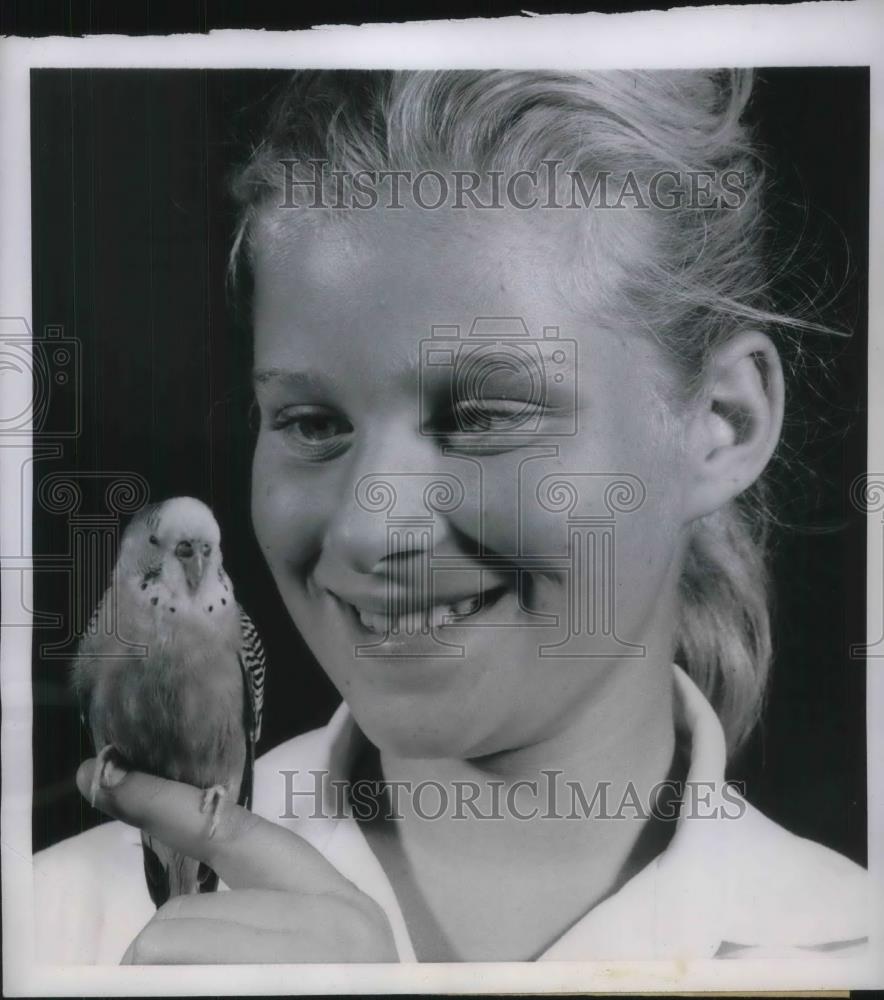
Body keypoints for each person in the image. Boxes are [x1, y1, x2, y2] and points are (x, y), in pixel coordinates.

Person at [33, 69, 867, 964]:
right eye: (312, 425)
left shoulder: (852, 949)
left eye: (485, 418)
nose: (367, 529)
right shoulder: (52, 930)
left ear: (722, 425)